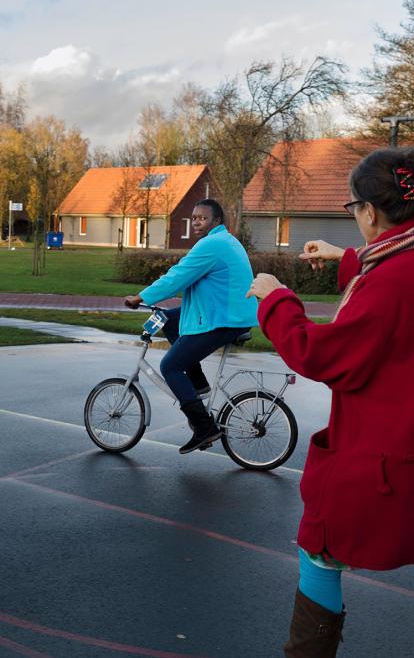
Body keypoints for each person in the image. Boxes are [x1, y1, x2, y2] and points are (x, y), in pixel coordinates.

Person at [247, 147, 414, 657]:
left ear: (368, 211)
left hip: (385, 453)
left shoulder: (388, 282)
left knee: (318, 550)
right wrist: (342, 258)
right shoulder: (396, 267)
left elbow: (323, 354)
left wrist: (276, 299)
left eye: (351, 209)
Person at [125, 199, 258, 454]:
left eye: (203, 218)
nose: (197, 222)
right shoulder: (224, 240)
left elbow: (177, 276)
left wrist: (141, 297)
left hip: (225, 319)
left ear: (216, 221)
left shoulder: (212, 245)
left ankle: (204, 427)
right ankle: (198, 384)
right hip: (226, 314)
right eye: (194, 218)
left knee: (170, 366)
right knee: (168, 320)